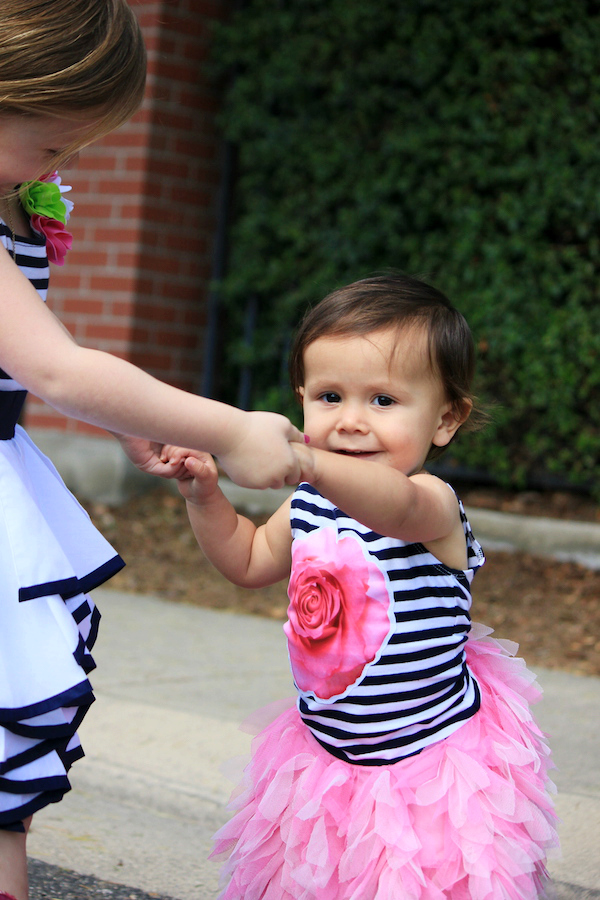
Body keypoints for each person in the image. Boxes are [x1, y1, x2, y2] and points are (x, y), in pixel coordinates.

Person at [0, 3, 303, 898]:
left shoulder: (15, 193)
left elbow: (30, 352)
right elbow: (57, 364)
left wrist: (118, 416)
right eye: (53, 144)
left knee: (8, 730)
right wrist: (234, 428)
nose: (66, 166)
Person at [167, 273, 559, 899]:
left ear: (445, 420)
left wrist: (309, 461)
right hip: (327, 760)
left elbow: (395, 508)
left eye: (383, 401)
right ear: (301, 401)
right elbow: (244, 561)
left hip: (430, 766)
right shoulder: (308, 506)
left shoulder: (431, 502)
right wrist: (204, 496)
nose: (350, 422)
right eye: (328, 397)